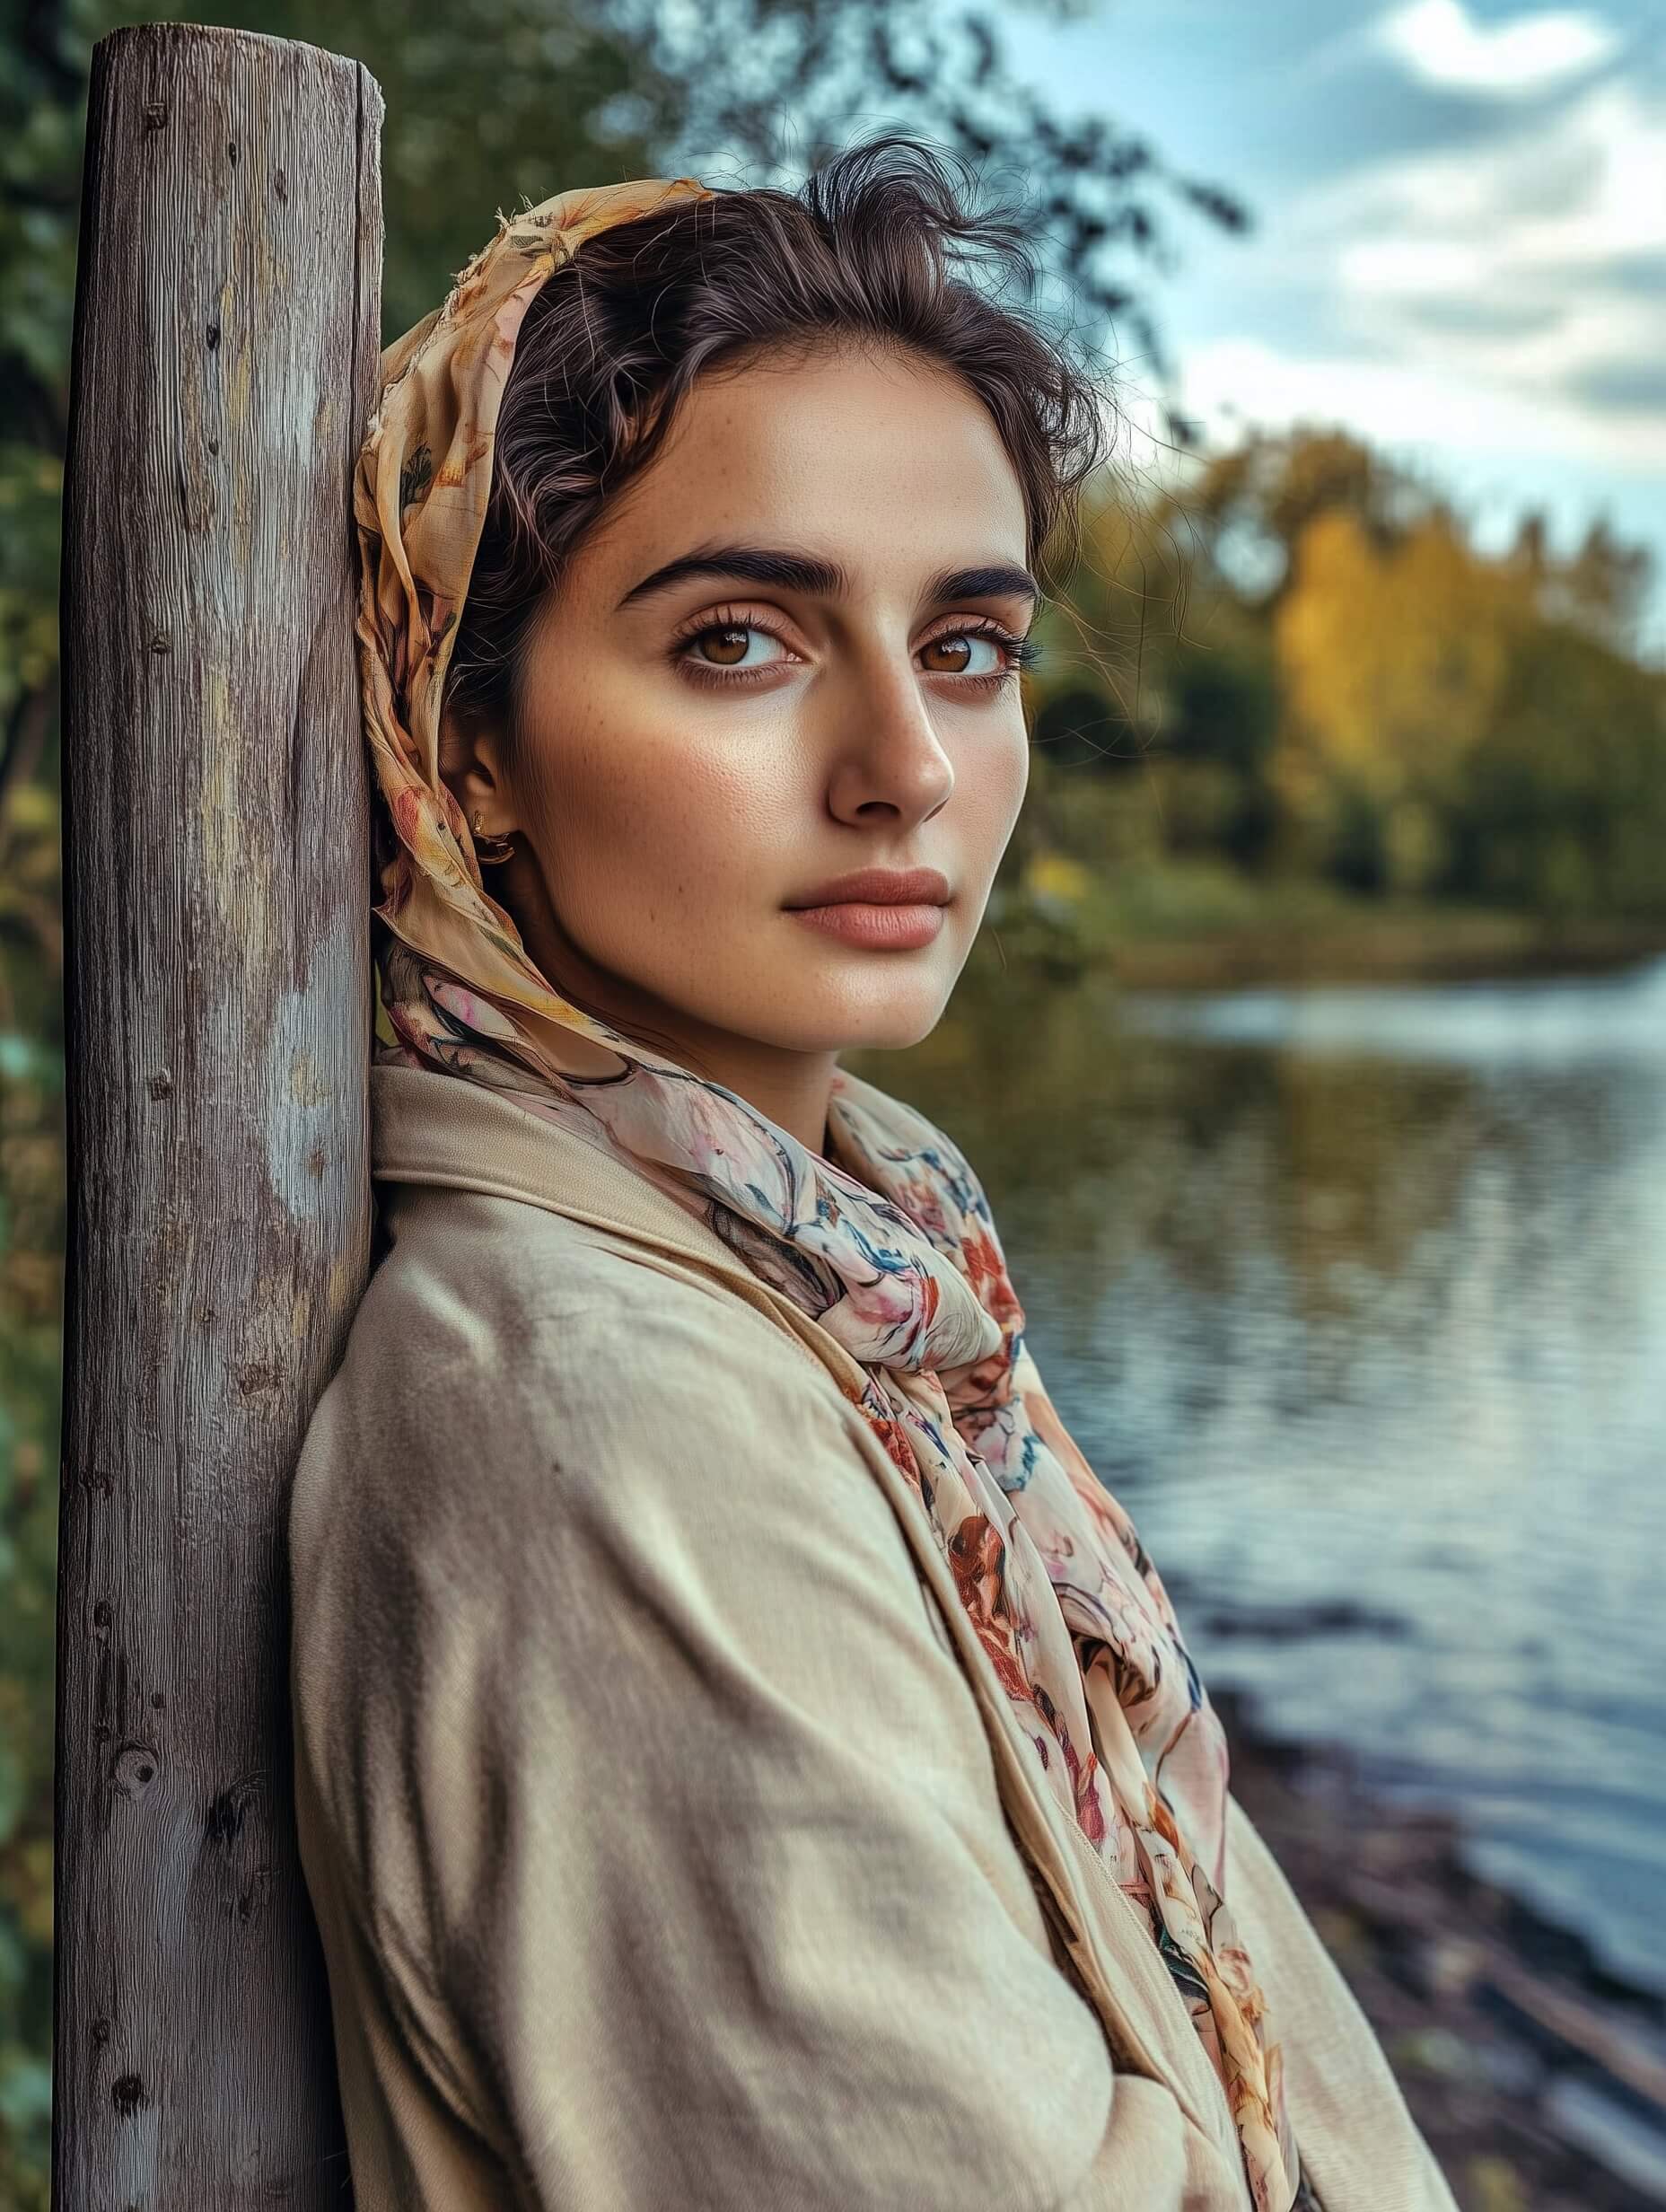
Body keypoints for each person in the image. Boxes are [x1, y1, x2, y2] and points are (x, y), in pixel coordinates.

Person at [287, 137, 1458, 2212]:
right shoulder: (594, 1401)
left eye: (971, 646)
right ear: (461, 738)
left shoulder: (859, 1277)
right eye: (740, 637)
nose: (906, 763)